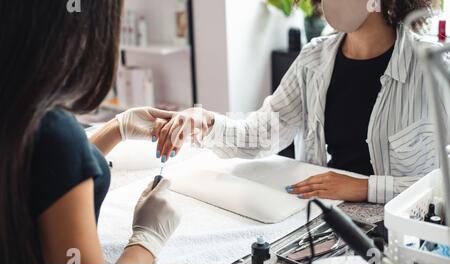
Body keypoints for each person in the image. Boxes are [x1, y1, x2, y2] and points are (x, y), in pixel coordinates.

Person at [153, 0, 448, 204]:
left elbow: (441, 184)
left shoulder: (433, 67)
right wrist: (207, 123)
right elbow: (263, 133)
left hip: (398, 229)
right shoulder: (313, 59)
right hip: (321, 213)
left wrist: (366, 188)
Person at [0, 0, 178, 264]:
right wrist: (147, 241)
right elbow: (55, 154)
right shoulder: (53, 131)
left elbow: (44, 174)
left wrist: (117, 128)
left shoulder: (18, 108)